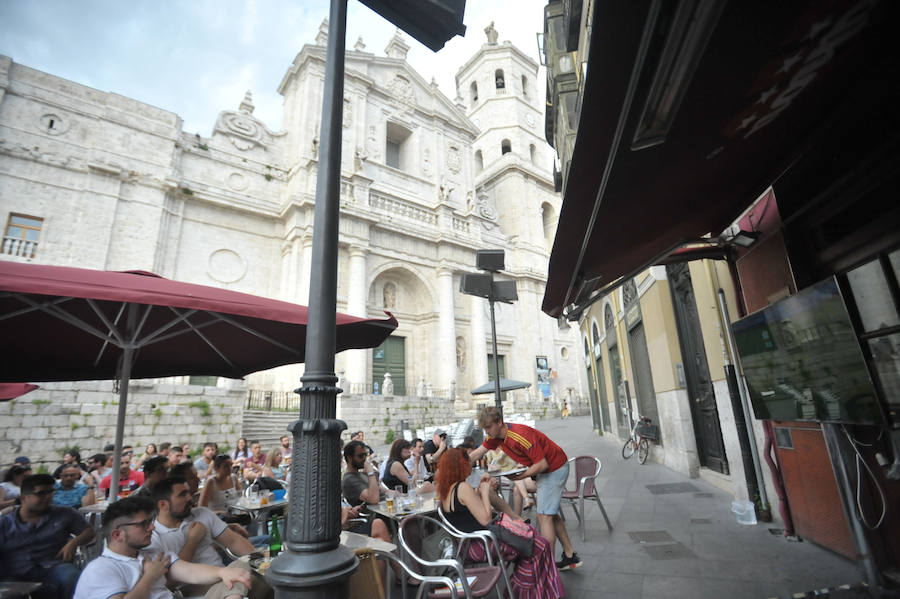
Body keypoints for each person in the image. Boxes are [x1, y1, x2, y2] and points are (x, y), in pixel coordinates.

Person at [437, 449, 564, 598]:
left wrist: (481, 490)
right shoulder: (462, 488)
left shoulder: (447, 490)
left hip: (467, 545)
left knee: (532, 539)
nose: (471, 467)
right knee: (539, 546)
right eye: (468, 463)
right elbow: (485, 518)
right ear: (461, 466)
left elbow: (467, 511)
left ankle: (529, 590)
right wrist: (485, 493)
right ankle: (523, 592)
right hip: (481, 545)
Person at [468, 406, 582, 571]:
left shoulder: (520, 435)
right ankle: (570, 556)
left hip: (555, 468)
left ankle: (546, 568)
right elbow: (477, 454)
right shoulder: (496, 437)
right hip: (545, 470)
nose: (486, 432)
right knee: (550, 513)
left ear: (499, 422)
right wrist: (454, 464)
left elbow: (543, 464)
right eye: (484, 428)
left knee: (543, 517)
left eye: (488, 427)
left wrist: (520, 477)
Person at [73, 495, 251, 599]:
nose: (151, 528)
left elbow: (188, 571)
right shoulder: (101, 569)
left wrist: (222, 573)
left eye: (150, 522)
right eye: (143, 524)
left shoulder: (150, 553)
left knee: (240, 568)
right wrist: (150, 576)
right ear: (117, 535)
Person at [0, 474, 95, 599]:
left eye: (51, 492)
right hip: (15, 573)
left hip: (52, 568)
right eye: (41, 493)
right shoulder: (5, 523)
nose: (48, 497)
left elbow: (89, 531)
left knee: (72, 576)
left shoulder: (64, 513)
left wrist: (74, 543)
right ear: (23, 498)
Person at [341, 440, 383, 507]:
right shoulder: (349, 480)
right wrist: (370, 472)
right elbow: (374, 499)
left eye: (365, 455)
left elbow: (383, 491)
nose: (364, 458)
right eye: (360, 456)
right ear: (349, 458)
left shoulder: (361, 474)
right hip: (375, 515)